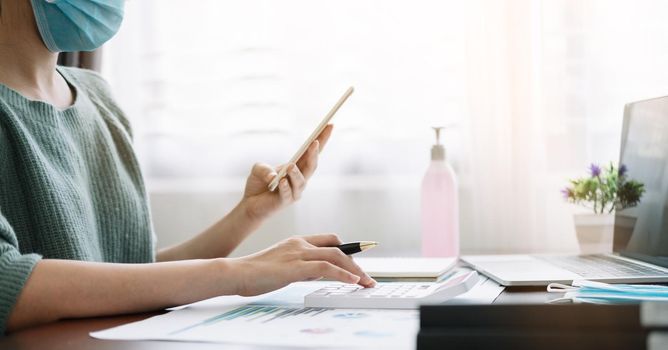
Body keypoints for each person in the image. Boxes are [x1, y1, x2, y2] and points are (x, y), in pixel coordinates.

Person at [0, 0, 375, 334]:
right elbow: (9, 283)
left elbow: (134, 272)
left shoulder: (98, 98)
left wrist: (247, 215)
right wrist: (241, 273)